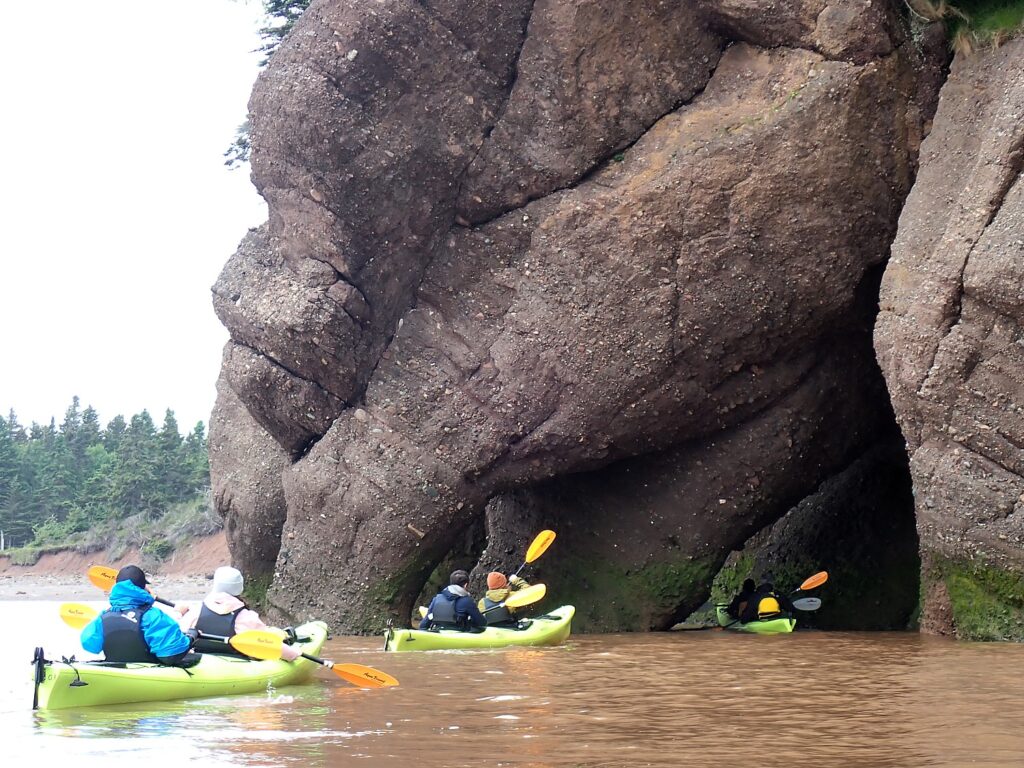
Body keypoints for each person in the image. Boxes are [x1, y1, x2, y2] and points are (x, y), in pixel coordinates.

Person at [80, 565, 195, 664]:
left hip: (117, 672)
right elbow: (170, 655)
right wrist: (191, 638)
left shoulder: (103, 618)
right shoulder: (152, 616)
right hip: (150, 676)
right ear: (143, 588)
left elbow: (89, 644)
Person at [180, 566, 300, 660]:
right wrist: (294, 655)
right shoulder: (246, 617)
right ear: (239, 588)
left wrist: (179, 613)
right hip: (236, 662)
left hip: (204, 659)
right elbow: (266, 642)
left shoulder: (196, 610)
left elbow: (179, 635)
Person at [420, 569, 487, 632]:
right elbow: (482, 622)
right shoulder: (467, 601)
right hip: (459, 637)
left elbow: (423, 625)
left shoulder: (436, 599)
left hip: (439, 633)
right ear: (466, 585)